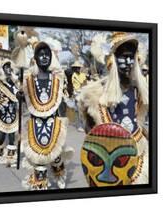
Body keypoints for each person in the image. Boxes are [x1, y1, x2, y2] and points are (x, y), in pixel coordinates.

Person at [78, 32, 149, 184]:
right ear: (113, 59)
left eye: (131, 57)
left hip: (138, 151)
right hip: (107, 155)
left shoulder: (139, 90)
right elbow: (90, 131)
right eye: (123, 56)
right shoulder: (97, 92)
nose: (128, 61)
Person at [19, 42, 74, 190]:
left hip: (53, 120)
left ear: (51, 58)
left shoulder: (57, 77)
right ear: (35, 58)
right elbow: (27, 99)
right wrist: (20, 96)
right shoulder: (29, 79)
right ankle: (40, 186)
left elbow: (68, 95)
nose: (44, 57)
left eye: (47, 55)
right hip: (35, 122)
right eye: (41, 54)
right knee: (38, 158)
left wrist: (69, 79)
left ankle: (59, 175)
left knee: (55, 156)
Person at [0, 58, 19, 167]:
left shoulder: (14, 82)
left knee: (11, 135)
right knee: (1, 136)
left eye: (9, 67)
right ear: (2, 70)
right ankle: (0, 148)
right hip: (2, 111)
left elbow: (17, 94)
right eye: (6, 67)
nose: (8, 69)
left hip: (12, 110)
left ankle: (10, 159)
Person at [71, 60, 86, 132]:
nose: (77, 69)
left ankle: (84, 124)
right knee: (78, 110)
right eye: (76, 68)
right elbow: (75, 86)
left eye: (78, 67)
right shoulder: (73, 76)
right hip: (77, 93)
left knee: (84, 110)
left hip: (83, 93)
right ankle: (79, 125)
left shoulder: (83, 75)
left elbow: (85, 82)